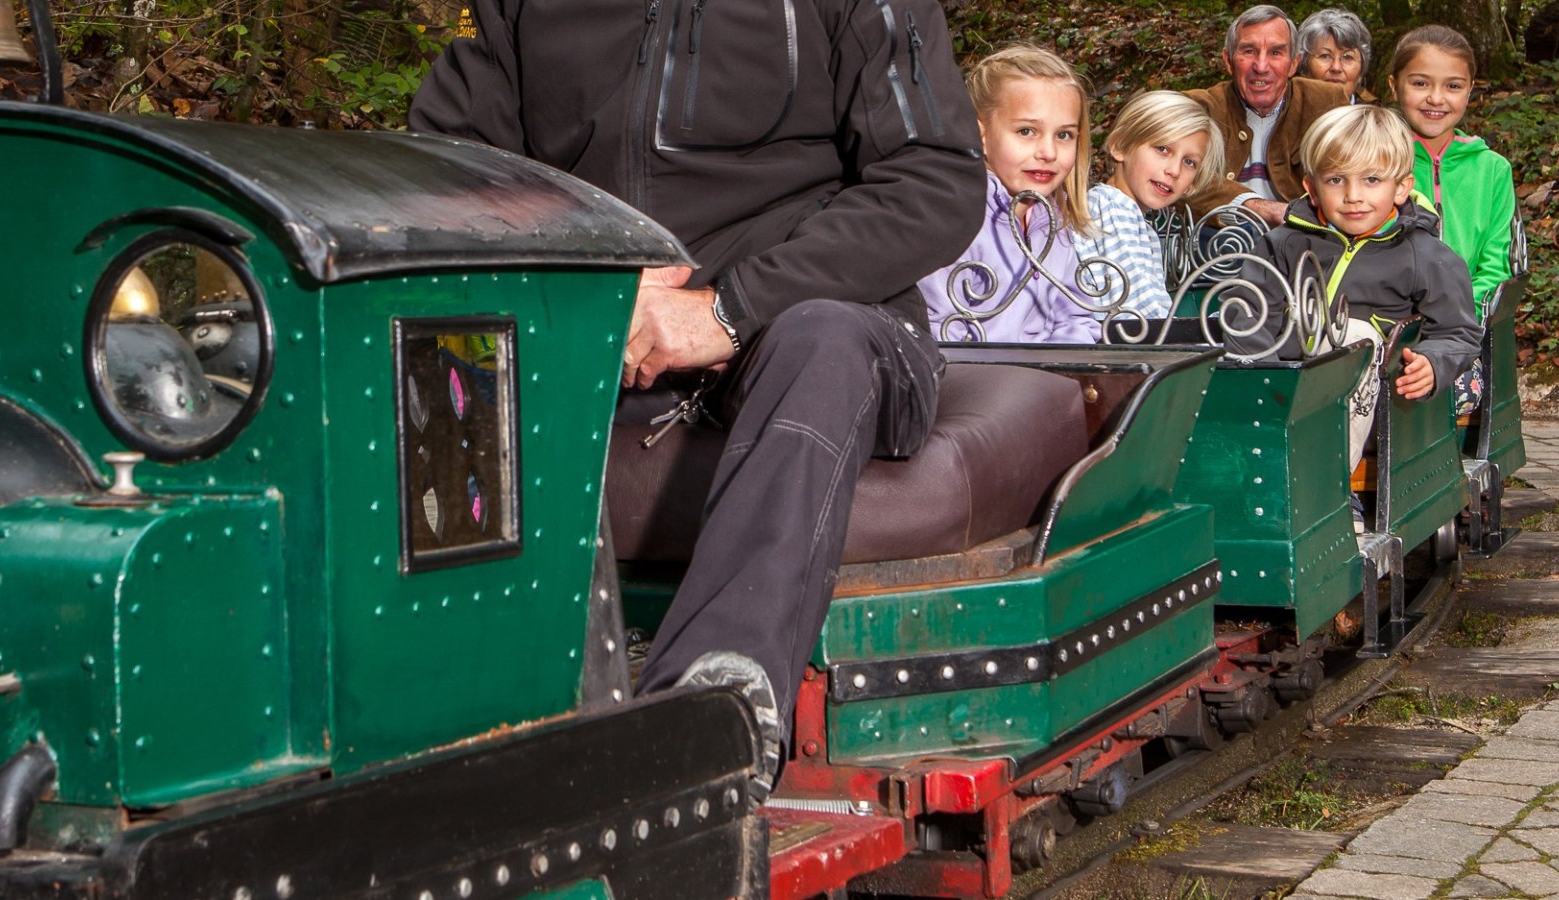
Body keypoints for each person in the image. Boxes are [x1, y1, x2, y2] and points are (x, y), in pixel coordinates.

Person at [409, 0, 986, 799]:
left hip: (822, 315)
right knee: (437, 339)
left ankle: (710, 714)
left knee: (819, 339)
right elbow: (450, 169)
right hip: (602, 329)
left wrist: (726, 310)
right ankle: (442, 707)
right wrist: (587, 284)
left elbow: (935, 182)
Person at [1225, 105, 1483, 529]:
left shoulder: (1422, 254)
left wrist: (1433, 363)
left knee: (1357, 334)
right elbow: (1250, 313)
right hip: (1286, 383)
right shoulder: (1283, 243)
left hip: (1377, 396)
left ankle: (1328, 494)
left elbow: (1457, 330)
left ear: (1402, 188)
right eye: (1335, 180)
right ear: (1311, 187)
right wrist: (1269, 373)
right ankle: (1248, 485)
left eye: (1372, 180)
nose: (1353, 195)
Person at [917, 45, 1099, 342]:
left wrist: (1059, 374)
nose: (1049, 152)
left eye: (1064, 135)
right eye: (1027, 131)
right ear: (981, 135)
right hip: (972, 382)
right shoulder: (956, 219)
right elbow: (940, 330)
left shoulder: (1053, 222)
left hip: (1047, 381)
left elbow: (1076, 316)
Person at [1390, 25, 1518, 413]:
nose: (1436, 98)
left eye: (1453, 86)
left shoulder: (1491, 170)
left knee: (1449, 389)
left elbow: (1495, 266)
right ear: (1394, 85)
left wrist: (1451, 318)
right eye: (1420, 83)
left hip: (1458, 332)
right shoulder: (1374, 157)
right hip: (1385, 325)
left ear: (1470, 89)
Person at [1183, 5, 1350, 225]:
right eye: (1248, 51)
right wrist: (1258, 207)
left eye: (1275, 52)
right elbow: (1176, 176)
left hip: (1305, 245)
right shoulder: (1201, 108)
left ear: (1293, 64)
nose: (1261, 66)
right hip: (1216, 246)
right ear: (1228, 61)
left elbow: (1357, 175)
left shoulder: (1327, 103)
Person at [1082, 91, 1225, 321]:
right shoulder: (1112, 208)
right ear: (1120, 146)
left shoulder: (1133, 219)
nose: (1174, 171)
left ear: (1192, 184)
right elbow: (1137, 315)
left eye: (1189, 162)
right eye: (1163, 149)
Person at [1298, 8, 1376, 104]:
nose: (1336, 67)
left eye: (1347, 57)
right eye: (1325, 56)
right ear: (1305, 68)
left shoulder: (1373, 118)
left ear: (1360, 73)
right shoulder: (1287, 115)